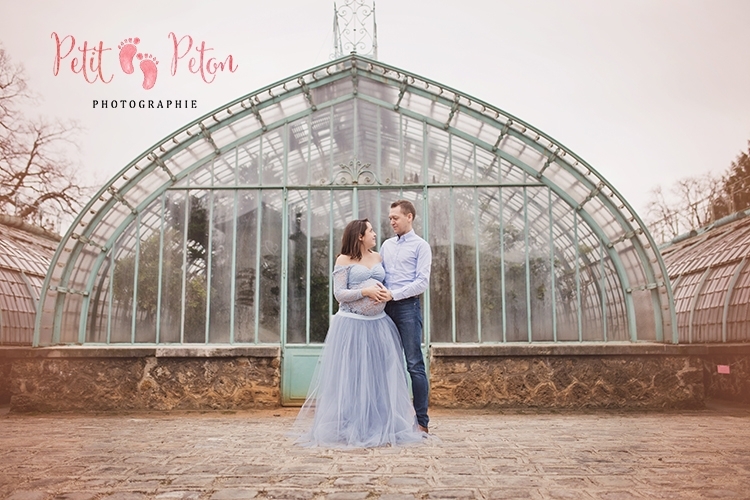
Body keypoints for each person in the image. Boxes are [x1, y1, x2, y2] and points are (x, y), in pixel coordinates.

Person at [292, 219, 426, 448]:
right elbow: (339, 294)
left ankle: (379, 423)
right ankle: (352, 424)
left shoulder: (378, 257)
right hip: (351, 326)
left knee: (377, 377)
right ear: (360, 236)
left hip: (379, 325)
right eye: (371, 231)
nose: (375, 233)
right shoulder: (343, 260)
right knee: (352, 376)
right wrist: (364, 290)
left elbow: (392, 280)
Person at [380, 200, 432, 433]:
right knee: (387, 364)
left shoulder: (421, 246)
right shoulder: (386, 245)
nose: (391, 221)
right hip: (383, 309)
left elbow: (422, 282)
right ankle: (389, 418)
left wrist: (394, 294)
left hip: (407, 308)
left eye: (395, 218)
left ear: (409, 217)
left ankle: (421, 421)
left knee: (414, 364)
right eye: (390, 218)